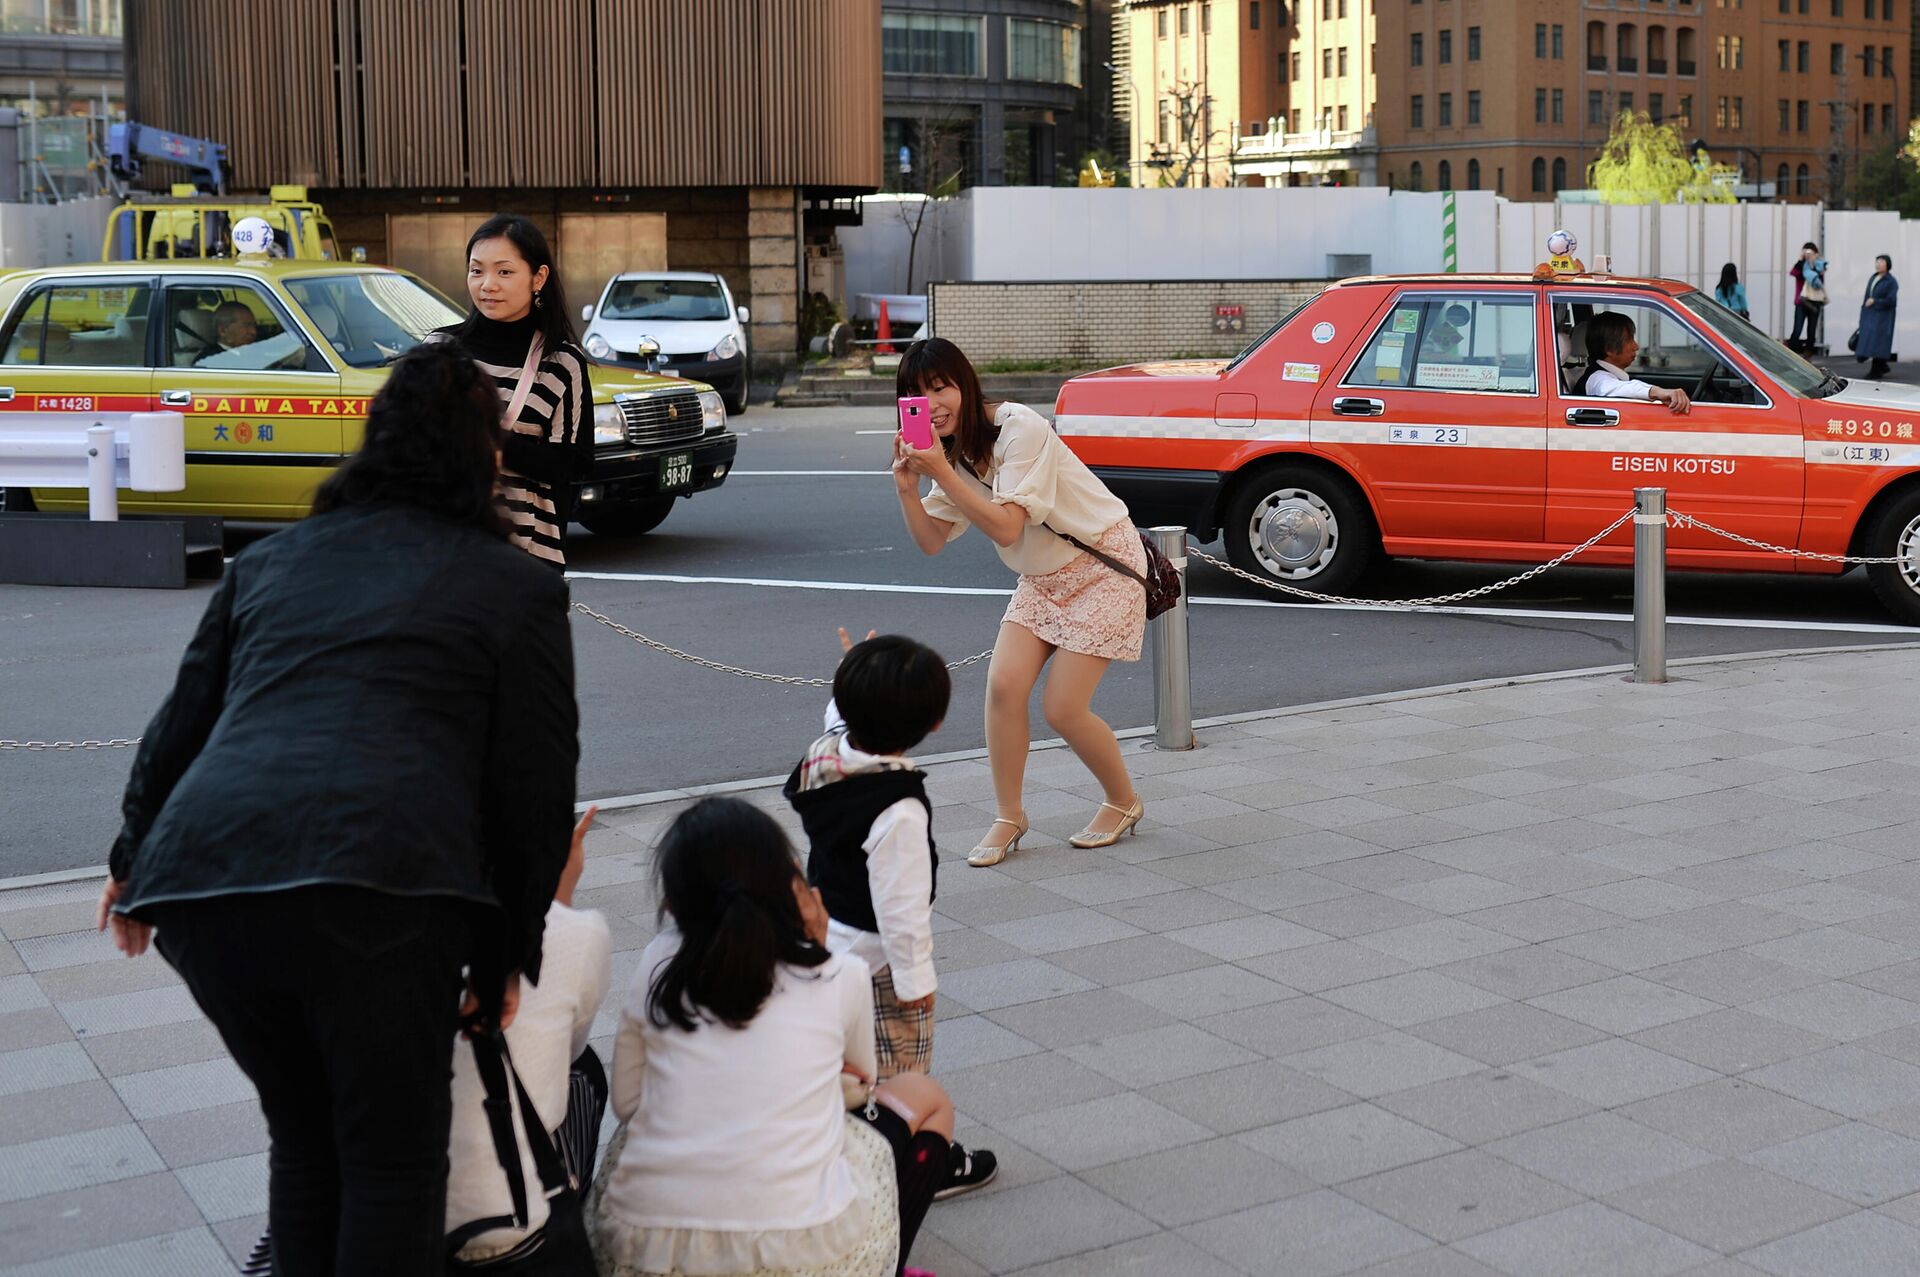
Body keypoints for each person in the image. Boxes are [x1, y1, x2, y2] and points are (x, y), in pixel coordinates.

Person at [97, 342, 579, 1277]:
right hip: (387, 889)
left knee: (308, 1139)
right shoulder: (517, 585)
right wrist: (513, 944)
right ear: (481, 457)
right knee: (392, 1164)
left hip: (210, 886)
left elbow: (180, 722)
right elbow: (536, 781)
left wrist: (130, 864)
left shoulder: (273, 562)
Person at [593, 797, 955, 1277]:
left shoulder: (658, 962)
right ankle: (881, 1263)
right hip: (806, 1254)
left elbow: (628, 1105)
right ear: (790, 888)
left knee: (632, 1138)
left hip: (643, 1254)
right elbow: (859, 1086)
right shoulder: (837, 971)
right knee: (924, 1097)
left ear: (674, 903)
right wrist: (821, 946)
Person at [892, 337, 1147, 868]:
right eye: (917, 394)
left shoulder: (1019, 428)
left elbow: (1007, 528)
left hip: (1103, 565)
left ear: (965, 383)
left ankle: (1123, 801)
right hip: (1042, 577)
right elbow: (932, 540)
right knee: (1004, 688)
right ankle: (1009, 816)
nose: (933, 404)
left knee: (1063, 707)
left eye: (941, 388)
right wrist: (908, 490)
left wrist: (940, 471)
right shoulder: (950, 451)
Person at [783, 630, 999, 1200]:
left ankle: (848, 1144)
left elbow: (839, 718)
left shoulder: (827, 756)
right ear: (932, 724)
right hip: (877, 962)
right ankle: (907, 1158)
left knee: (848, 1061)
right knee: (900, 1067)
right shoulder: (897, 809)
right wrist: (917, 985)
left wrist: (857, 674)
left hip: (827, 929)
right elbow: (901, 914)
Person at [446, 804, 613, 1268]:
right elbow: (573, 1052)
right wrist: (558, 898)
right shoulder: (576, 933)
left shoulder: (391, 932)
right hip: (517, 1225)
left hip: (379, 1218)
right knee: (584, 1070)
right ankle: (566, 1202)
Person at [438, 214, 592, 567]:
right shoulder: (438, 350)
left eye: (504, 272)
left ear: (538, 278)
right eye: (477, 271)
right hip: (442, 549)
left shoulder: (561, 363)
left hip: (526, 557)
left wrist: (490, 439)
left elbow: (572, 465)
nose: (487, 284)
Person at [1576, 312, 1692, 415]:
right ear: (1609, 349)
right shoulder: (1597, 378)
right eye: (1629, 340)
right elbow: (1615, 387)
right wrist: (1658, 392)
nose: (1636, 346)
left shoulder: (1603, 373)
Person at [195, 300, 305, 370]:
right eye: (247, 326)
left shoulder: (251, 351)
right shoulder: (209, 362)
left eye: (254, 326)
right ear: (223, 330)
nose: (253, 332)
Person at [1857, 254, 1900, 381]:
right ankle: (1882, 366)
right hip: (1870, 315)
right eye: (1877, 262)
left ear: (1888, 265)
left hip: (1883, 317)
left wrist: (1875, 301)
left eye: (1881, 262)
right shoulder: (1874, 277)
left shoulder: (1891, 281)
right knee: (1869, 342)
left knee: (1878, 343)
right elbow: (1867, 297)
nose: (1878, 264)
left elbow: (1891, 301)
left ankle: (1876, 371)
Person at [1789, 242, 1828, 351]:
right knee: (1797, 328)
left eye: (1811, 252)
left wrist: (1815, 262)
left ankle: (1809, 352)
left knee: (1811, 329)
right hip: (1801, 301)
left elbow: (1820, 282)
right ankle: (1793, 351)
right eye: (1806, 252)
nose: (1808, 254)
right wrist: (1801, 259)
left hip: (1815, 301)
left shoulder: (1819, 265)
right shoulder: (1801, 265)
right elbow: (1793, 273)